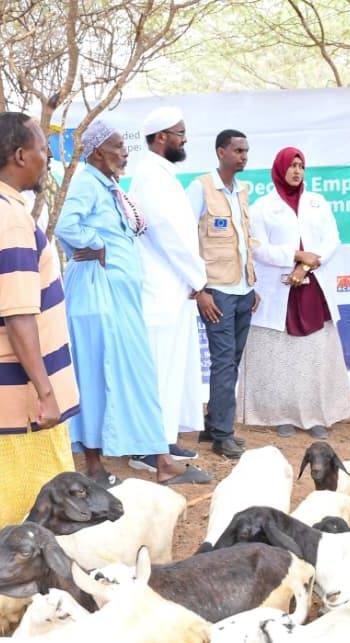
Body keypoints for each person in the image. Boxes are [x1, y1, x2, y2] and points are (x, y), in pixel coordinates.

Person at [55, 121, 212, 486]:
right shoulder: (85, 182)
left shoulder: (109, 186)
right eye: (116, 146)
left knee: (138, 375)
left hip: (119, 296)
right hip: (96, 295)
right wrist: (98, 247)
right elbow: (66, 225)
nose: (124, 152)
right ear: (97, 152)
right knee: (94, 376)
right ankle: (95, 465)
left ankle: (160, 459)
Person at [0, 111, 80, 538]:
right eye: (43, 150)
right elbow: (19, 313)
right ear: (20, 155)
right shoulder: (8, 218)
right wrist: (45, 393)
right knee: (30, 526)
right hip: (19, 402)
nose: (47, 159)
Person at [238, 146, 350, 438]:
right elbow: (257, 246)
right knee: (279, 358)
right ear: (279, 168)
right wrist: (296, 256)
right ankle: (280, 415)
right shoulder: (263, 205)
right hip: (279, 289)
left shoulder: (317, 202)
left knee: (312, 357)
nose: (297, 171)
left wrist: (307, 267)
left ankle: (315, 416)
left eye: (301, 165)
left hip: (312, 287)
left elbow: (332, 239)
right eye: (292, 165)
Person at [128, 106, 208, 462]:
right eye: (179, 132)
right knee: (159, 369)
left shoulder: (161, 172)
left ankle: (163, 437)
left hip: (174, 287)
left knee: (173, 368)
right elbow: (167, 233)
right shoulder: (149, 175)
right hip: (159, 289)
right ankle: (148, 448)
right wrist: (198, 278)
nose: (184, 138)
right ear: (161, 138)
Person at [184, 129, 259, 455]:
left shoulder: (241, 189)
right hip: (216, 291)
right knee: (223, 361)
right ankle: (223, 435)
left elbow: (244, 240)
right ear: (220, 152)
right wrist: (199, 290)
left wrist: (251, 284)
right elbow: (185, 239)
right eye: (238, 150)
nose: (243, 156)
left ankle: (215, 423)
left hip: (243, 289)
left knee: (233, 360)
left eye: (246, 150)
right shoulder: (200, 188)